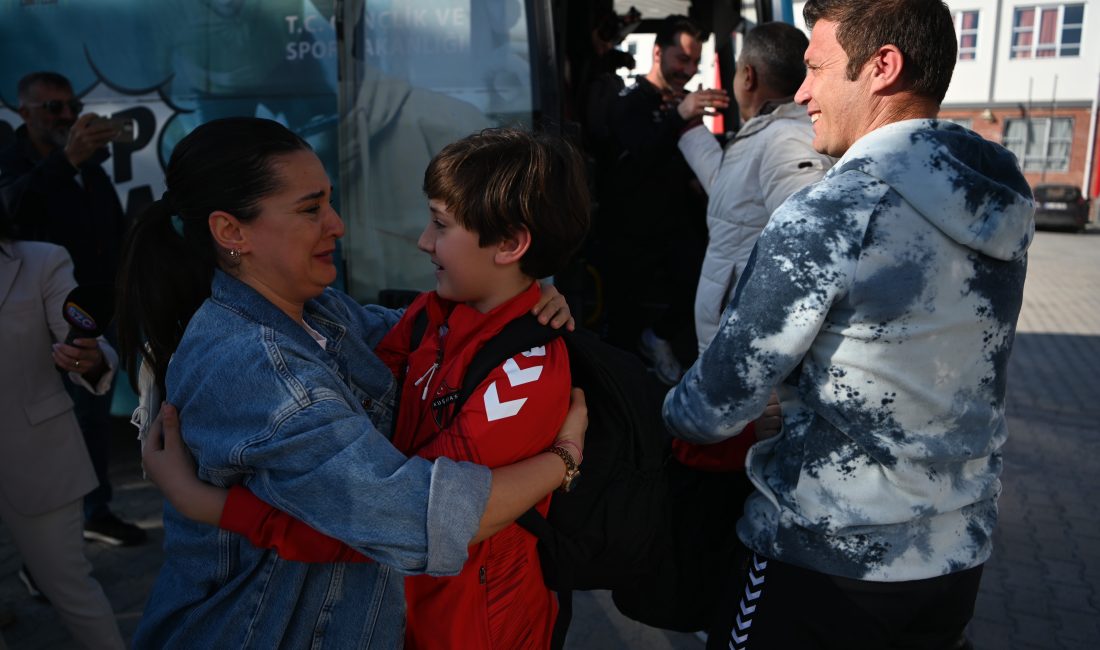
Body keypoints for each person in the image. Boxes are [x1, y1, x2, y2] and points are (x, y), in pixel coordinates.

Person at [117, 117, 586, 649]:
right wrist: (565, 456)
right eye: (310, 209)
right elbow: (414, 519)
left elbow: (421, 334)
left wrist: (521, 295)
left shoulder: (313, 311)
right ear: (231, 232)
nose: (336, 224)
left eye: (329, 202)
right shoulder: (259, 371)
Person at [662, 1, 1035, 648]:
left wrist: (645, 402)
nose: (802, 92)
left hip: (823, 561)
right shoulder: (997, 195)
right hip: (955, 560)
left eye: (816, 68)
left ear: (882, 68)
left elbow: (711, 409)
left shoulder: (832, 212)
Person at [0, 71, 144, 547]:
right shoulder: (14, 159)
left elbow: (108, 227)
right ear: (24, 113)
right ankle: (60, 529)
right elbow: (13, 211)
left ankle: (92, 511)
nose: (66, 116)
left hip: (94, 308)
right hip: (41, 315)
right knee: (61, 421)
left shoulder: (89, 163)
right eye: (53, 108)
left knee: (94, 413)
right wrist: (66, 160)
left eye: (71, 106)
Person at [0, 217, 125, 649]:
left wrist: (85, 358)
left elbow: (89, 346)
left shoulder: (40, 260)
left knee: (70, 589)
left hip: (35, 456)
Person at [676, 22, 833, 355]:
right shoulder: (770, 132)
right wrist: (689, 125)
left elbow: (808, 250)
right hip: (735, 341)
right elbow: (733, 196)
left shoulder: (787, 140)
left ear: (748, 76)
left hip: (750, 349)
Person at [597, 14, 709, 385]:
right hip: (629, 232)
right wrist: (679, 115)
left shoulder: (680, 104)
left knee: (700, 283)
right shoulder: (629, 101)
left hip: (676, 225)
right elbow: (641, 152)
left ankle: (658, 342)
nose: (688, 70)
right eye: (682, 59)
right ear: (658, 52)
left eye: (694, 61)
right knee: (623, 324)